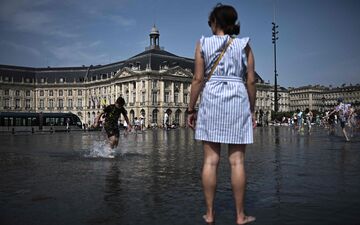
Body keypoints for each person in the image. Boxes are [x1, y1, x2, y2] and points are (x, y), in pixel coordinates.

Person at [187, 4, 256, 224]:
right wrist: (252, 110)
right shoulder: (244, 45)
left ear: (214, 22)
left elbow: (197, 80)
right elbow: (251, 81)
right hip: (237, 98)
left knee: (210, 161)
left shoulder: (203, 44)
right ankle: (240, 215)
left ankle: (209, 214)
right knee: (237, 162)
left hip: (212, 97)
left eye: (210, 22)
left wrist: (190, 108)